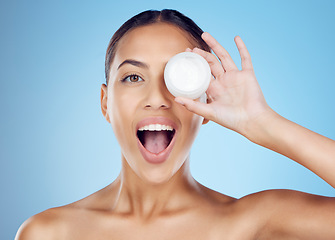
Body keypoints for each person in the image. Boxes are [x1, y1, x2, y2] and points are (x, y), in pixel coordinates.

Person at [15, 9, 335, 240]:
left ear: (206, 103)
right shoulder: (49, 232)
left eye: (179, 77)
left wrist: (263, 123)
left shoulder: (253, 224)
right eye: (133, 77)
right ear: (105, 103)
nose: (157, 98)